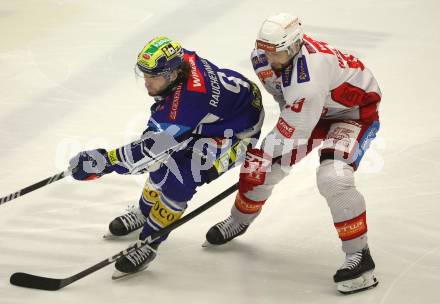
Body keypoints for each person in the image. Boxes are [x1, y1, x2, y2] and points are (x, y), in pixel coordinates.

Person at [204, 13, 381, 294]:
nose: (270, 59)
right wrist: (265, 157)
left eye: (279, 53)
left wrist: (265, 152)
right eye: (266, 51)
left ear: (296, 45)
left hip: (353, 114)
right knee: (257, 171)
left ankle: (361, 259)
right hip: (311, 110)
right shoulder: (263, 58)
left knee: (333, 178)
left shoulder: (308, 80)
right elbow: (286, 100)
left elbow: (295, 129)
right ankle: (238, 221)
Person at [68, 36, 264, 279]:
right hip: (214, 118)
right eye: (145, 75)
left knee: (180, 180)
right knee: (162, 165)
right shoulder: (182, 61)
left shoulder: (187, 103)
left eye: (153, 77)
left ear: (172, 75)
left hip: (236, 134)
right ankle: (144, 211)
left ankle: (149, 243)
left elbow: (146, 153)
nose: (146, 83)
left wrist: (102, 162)